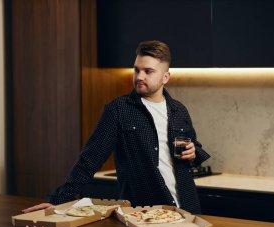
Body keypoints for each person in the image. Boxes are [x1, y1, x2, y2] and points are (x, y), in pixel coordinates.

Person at [23, 40, 210, 214]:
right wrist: (57, 200)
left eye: (148, 71)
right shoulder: (118, 110)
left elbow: (194, 149)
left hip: (187, 208)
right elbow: (90, 159)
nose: (139, 77)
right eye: (137, 70)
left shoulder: (179, 110)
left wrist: (194, 152)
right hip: (142, 212)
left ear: (165, 77)